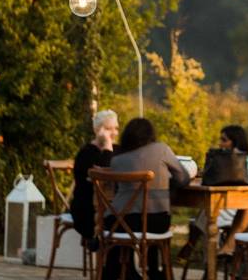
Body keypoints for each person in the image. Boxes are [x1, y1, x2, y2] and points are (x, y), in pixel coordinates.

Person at [101, 117, 189, 280]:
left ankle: (122, 272)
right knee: (149, 219)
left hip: (118, 224)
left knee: (136, 217)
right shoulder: (161, 149)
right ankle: (154, 272)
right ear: (150, 135)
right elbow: (183, 178)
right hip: (156, 222)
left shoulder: (116, 161)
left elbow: (115, 191)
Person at [179, 125, 248, 259]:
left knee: (208, 214)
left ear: (235, 141)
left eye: (224, 140)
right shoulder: (216, 158)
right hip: (218, 204)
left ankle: (197, 248)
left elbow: (247, 180)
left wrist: (233, 158)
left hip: (237, 206)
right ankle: (210, 261)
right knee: (209, 212)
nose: (220, 143)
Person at [71, 109, 118, 240]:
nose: (114, 133)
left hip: (112, 207)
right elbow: (105, 174)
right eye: (109, 129)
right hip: (88, 210)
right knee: (116, 221)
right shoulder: (86, 153)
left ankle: (120, 259)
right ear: (98, 130)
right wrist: (107, 147)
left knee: (127, 219)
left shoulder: (118, 149)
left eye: (116, 128)